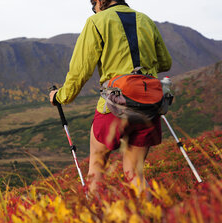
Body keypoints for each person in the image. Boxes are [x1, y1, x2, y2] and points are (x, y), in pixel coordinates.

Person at [49, 0, 171, 197]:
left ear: (99, 1)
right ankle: (150, 220)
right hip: (148, 107)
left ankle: (95, 220)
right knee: (135, 174)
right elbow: (165, 62)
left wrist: (60, 96)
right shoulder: (146, 20)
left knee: (97, 166)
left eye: (92, 4)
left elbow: (80, 71)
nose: (93, 8)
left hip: (114, 107)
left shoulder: (96, 22)